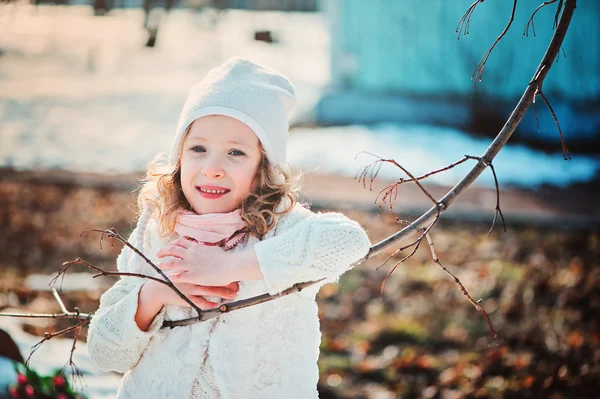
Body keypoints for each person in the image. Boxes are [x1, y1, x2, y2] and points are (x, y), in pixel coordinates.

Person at [86, 57, 371, 398]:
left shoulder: (281, 228)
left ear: (263, 168)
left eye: (235, 152)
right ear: (179, 158)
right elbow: (105, 354)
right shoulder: (157, 230)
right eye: (198, 148)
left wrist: (227, 266)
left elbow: (349, 241)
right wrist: (154, 294)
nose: (212, 168)